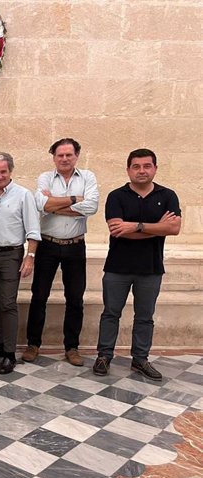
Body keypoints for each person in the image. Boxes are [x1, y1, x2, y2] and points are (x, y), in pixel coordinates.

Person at [93, 149, 181, 381]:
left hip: (151, 268)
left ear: (155, 168)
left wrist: (136, 226)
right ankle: (104, 356)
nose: (142, 170)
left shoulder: (168, 195)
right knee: (111, 313)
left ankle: (140, 360)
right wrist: (155, 227)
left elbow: (174, 228)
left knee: (145, 316)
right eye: (136, 166)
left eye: (147, 166)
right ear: (128, 169)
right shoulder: (116, 196)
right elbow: (118, 231)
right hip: (116, 268)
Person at [24, 138, 99, 366]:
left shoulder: (88, 177)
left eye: (69, 155)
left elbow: (92, 206)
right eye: (60, 155)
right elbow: (40, 204)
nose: (64, 159)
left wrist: (55, 205)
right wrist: (76, 200)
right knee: (39, 296)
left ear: (76, 155)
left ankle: (72, 347)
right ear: (54, 157)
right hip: (48, 245)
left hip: (75, 246)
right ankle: (33, 344)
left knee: (75, 298)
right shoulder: (45, 178)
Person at [0, 152, 41, 374]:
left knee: (8, 303)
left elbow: (33, 229)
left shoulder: (24, 195)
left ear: (10, 171)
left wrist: (30, 257)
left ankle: (9, 354)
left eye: (3, 171)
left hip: (11, 255)